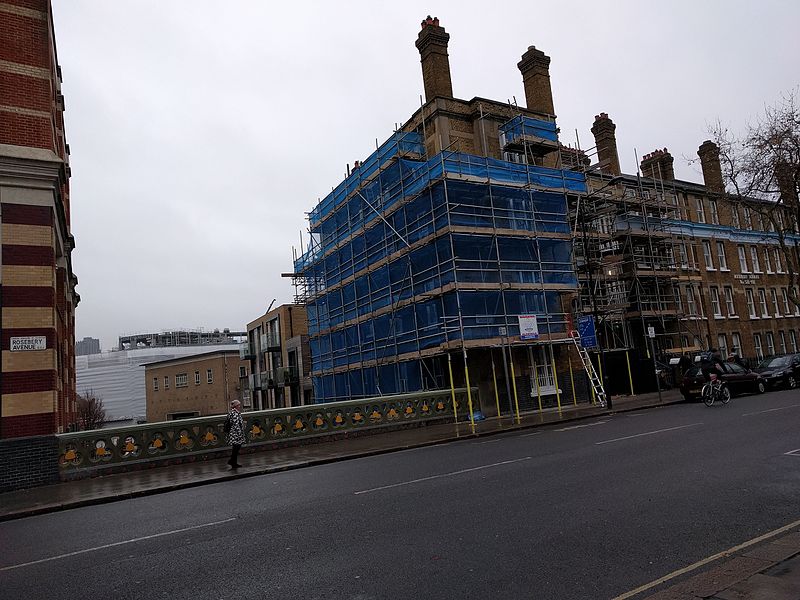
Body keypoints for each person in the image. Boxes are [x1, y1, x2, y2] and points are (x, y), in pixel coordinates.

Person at [226, 399, 245, 469]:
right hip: (235, 434)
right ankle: (232, 461)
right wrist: (239, 434)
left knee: (236, 448)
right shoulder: (234, 414)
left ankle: (233, 462)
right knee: (236, 447)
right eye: (239, 405)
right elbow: (236, 425)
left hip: (234, 433)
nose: (239, 406)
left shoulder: (232, 413)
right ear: (236, 406)